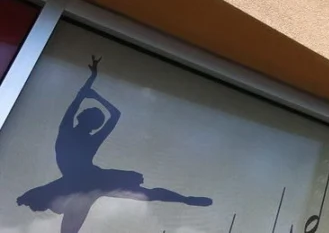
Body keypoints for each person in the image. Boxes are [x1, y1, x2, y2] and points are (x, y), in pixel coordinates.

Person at [17, 56, 212, 233]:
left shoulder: (75, 132)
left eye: (91, 122)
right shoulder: (71, 130)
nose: (88, 123)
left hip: (88, 180)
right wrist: (92, 83)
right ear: (84, 119)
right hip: (84, 181)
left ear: (88, 122)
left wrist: (92, 88)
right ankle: (185, 199)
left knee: (145, 194)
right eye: (90, 120)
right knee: (74, 223)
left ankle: (186, 199)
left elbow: (92, 104)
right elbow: (83, 99)